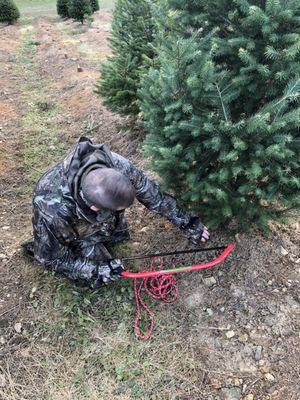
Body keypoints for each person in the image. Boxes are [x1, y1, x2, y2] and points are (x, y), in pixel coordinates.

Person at [27, 136, 210, 288]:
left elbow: (153, 196)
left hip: (101, 224)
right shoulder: (51, 208)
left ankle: (106, 236)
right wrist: (93, 270)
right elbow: (51, 258)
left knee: (115, 241)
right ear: (94, 208)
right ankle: (87, 250)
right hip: (73, 234)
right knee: (100, 273)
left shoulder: (116, 165)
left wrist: (187, 222)